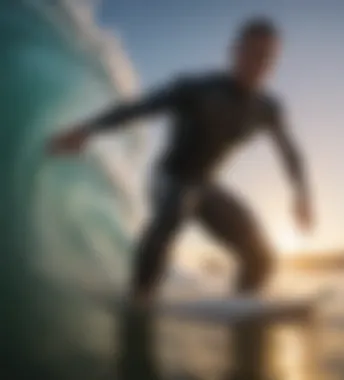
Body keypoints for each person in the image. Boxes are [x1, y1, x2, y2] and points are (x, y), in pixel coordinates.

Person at [48, 17, 314, 378]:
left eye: (267, 58)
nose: (258, 64)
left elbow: (290, 152)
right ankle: (140, 297)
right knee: (176, 207)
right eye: (252, 53)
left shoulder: (268, 107)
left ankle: (240, 309)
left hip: (207, 184)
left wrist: (301, 194)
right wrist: (87, 130)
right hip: (170, 177)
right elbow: (139, 108)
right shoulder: (195, 89)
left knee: (261, 256)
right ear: (235, 52)